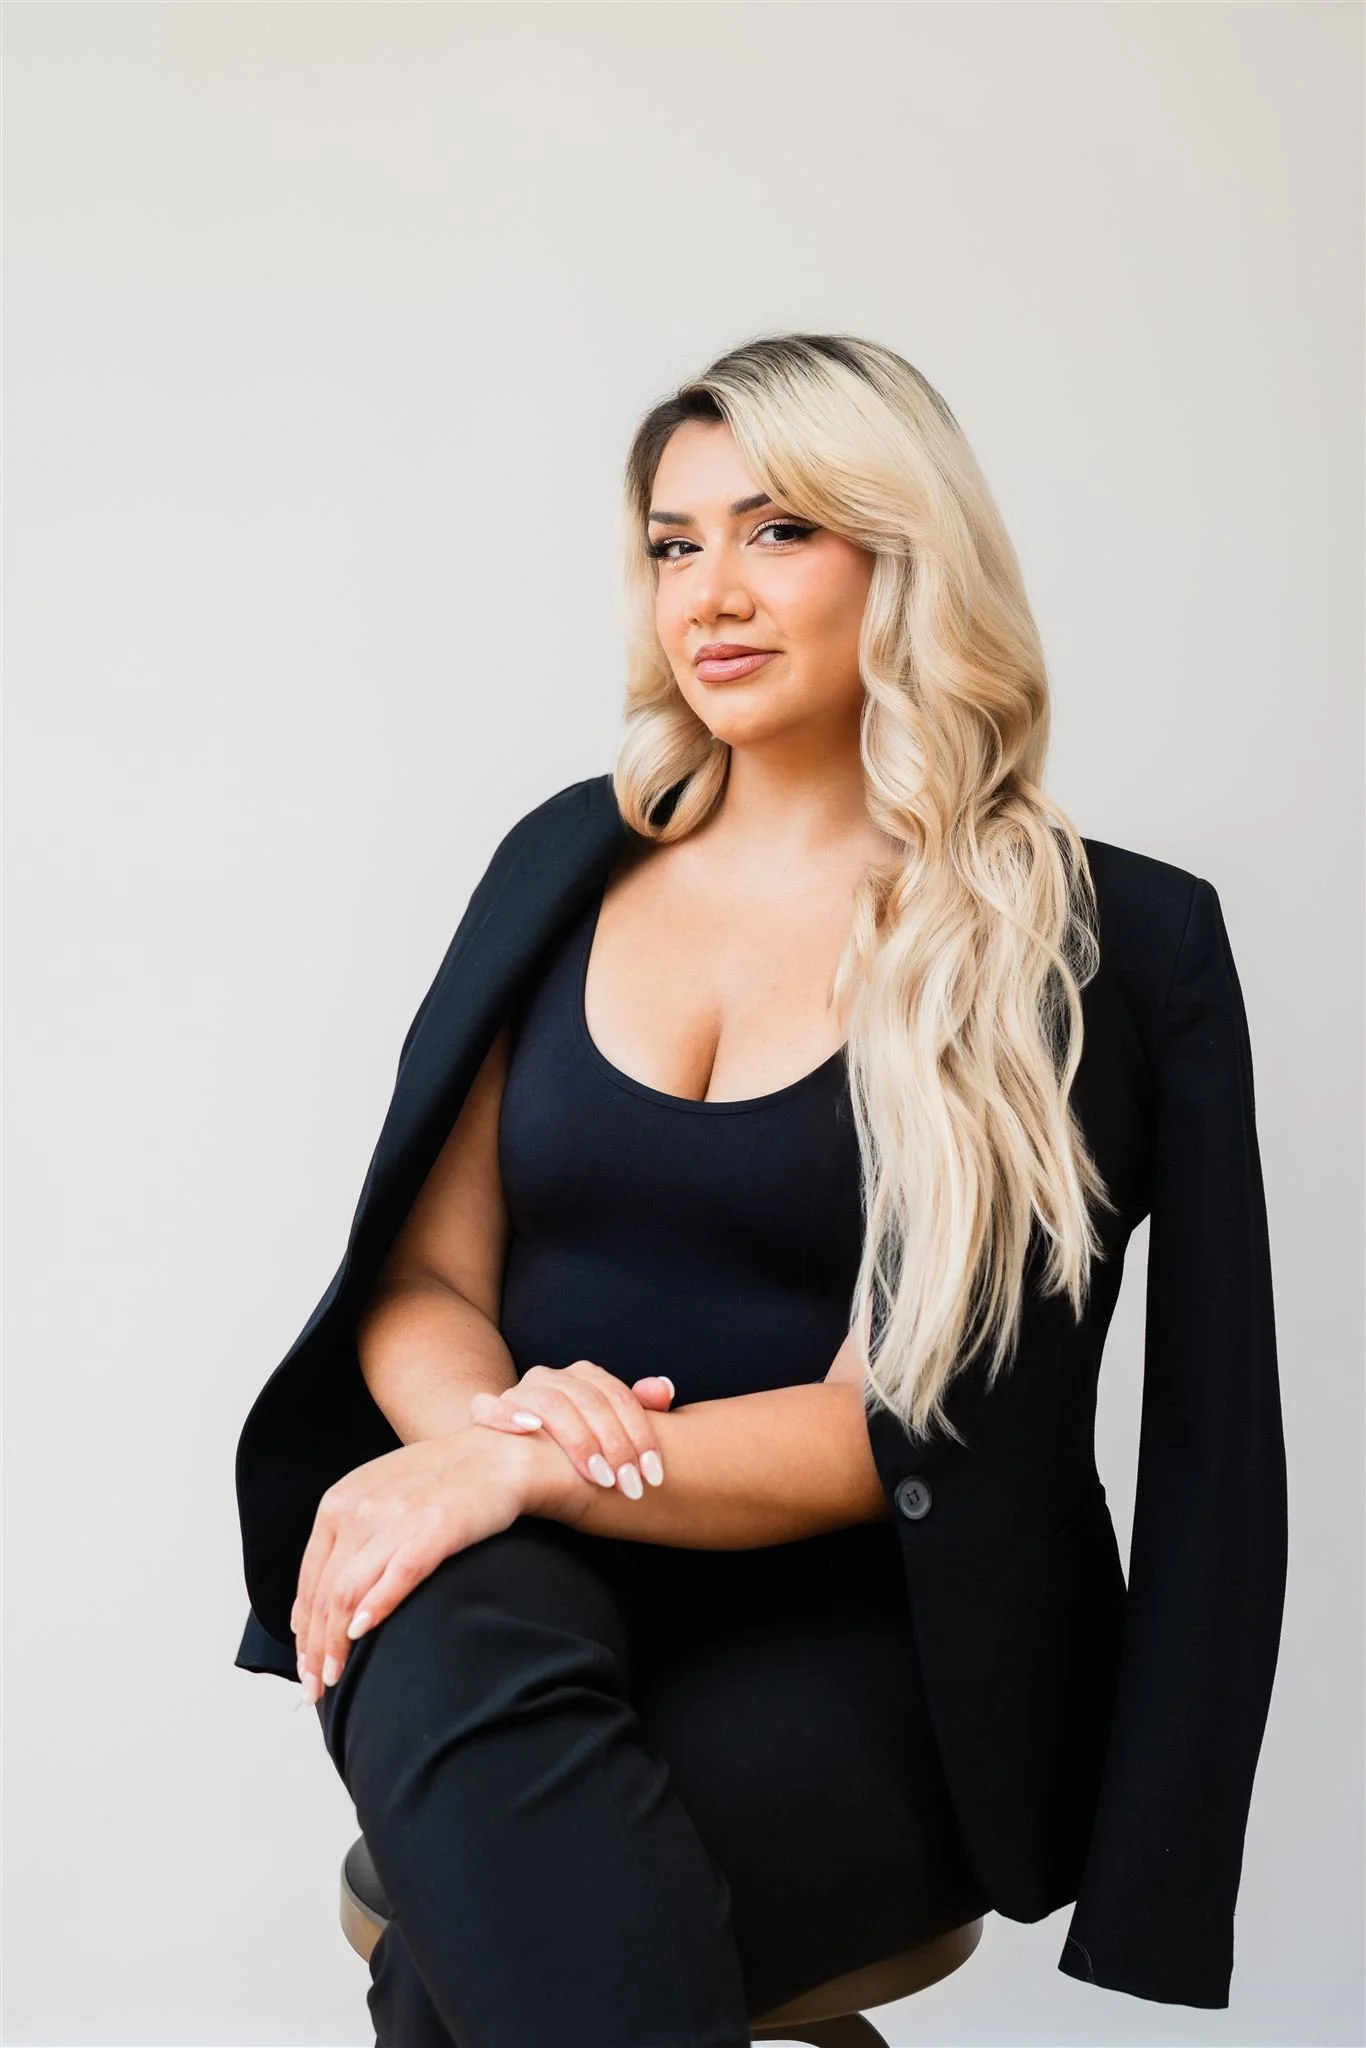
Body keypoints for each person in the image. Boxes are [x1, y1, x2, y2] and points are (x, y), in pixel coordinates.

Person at [232, 332, 1287, 2046]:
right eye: (672, 542)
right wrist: (495, 1450)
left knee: (468, 1967)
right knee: (457, 1670)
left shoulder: (1083, 941)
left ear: (903, 553)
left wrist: (525, 1472)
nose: (710, 592)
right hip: (512, 1559)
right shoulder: (567, 857)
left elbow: (898, 1417)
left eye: (778, 530)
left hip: (882, 1647)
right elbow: (426, 1285)